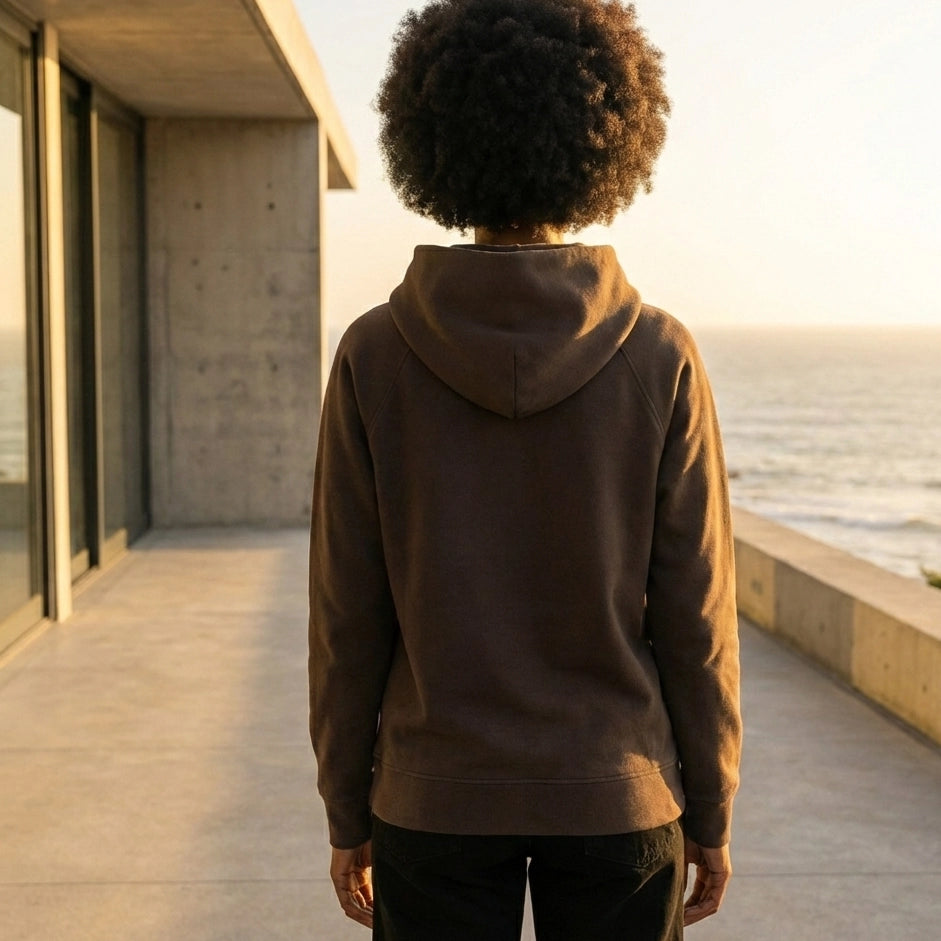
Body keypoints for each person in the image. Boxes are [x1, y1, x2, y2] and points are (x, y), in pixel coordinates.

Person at [308, 1, 742, 938]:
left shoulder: (374, 354)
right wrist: (709, 806)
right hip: (618, 796)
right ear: (604, 143)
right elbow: (694, 612)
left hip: (432, 801)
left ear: (431, 143)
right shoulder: (659, 352)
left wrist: (346, 805)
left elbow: (348, 612)